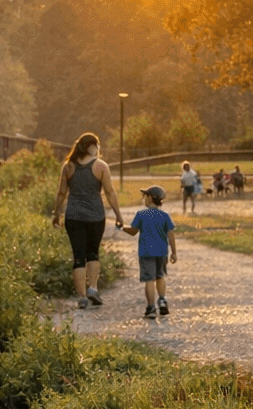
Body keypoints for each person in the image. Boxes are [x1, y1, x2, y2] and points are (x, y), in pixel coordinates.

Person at [51, 132, 124, 309]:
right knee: (93, 252)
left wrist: (56, 214)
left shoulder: (68, 167)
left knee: (78, 257)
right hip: (95, 216)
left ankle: (82, 298)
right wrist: (118, 215)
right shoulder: (101, 166)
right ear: (93, 147)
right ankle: (92, 288)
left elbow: (61, 193)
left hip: (74, 216)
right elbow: (110, 192)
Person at [122, 185, 177, 318]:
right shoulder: (165, 215)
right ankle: (163, 300)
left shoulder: (141, 215)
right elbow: (171, 234)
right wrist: (174, 252)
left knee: (149, 280)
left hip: (146, 252)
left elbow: (133, 231)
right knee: (160, 276)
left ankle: (151, 307)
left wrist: (122, 227)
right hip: (162, 252)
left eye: (144, 196)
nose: (143, 199)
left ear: (150, 198)